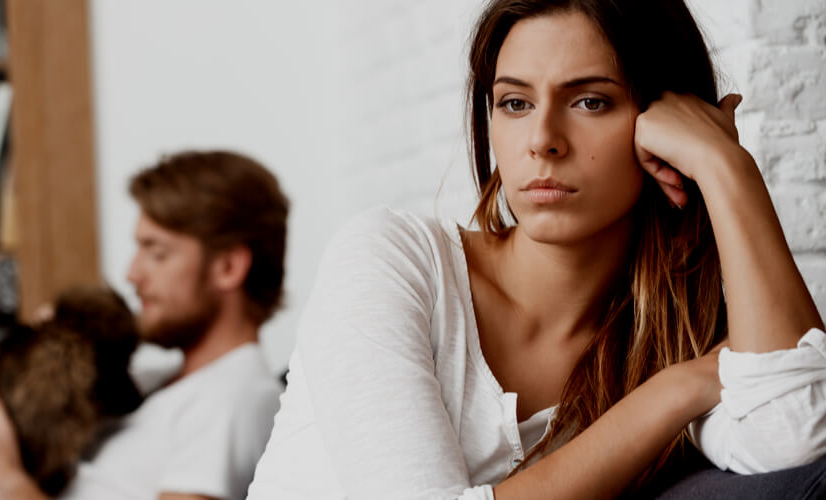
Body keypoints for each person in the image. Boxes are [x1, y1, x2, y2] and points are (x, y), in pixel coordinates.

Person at [246, 1, 826, 499]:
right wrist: (682, 388)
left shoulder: (678, 333)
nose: (542, 140)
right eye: (515, 103)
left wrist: (726, 168)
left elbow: (796, 434)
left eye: (590, 101)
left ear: (662, 123)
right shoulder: (391, 260)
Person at [0, 150, 290, 500]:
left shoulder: (234, 400)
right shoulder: (160, 381)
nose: (132, 274)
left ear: (228, 268)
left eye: (157, 253)